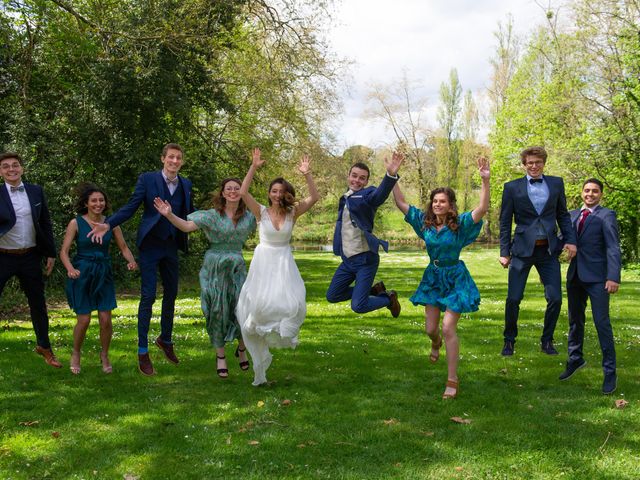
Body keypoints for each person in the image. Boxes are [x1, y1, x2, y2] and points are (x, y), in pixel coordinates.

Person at [87, 143, 194, 375]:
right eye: (171, 157)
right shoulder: (148, 179)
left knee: (172, 294)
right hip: (150, 245)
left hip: (171, 245)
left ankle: (165, 339)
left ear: (182, 162)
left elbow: (189, 214)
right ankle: (143, 350)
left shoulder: (186, 184)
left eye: (178, 158)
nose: (174, 161)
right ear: (163, 159)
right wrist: (108, 224)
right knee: (148, 296)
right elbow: (131, 207)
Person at [392, 158, 490, 399]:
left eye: (442, 201)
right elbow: (401, 202)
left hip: (455, 277)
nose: (437, 204)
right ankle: (434, 343)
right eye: (435, 201)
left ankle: (452, 380)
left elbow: (482, 209)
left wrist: (485, 181)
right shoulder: (424, 224)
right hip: (433, 278)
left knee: (448, 328)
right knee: (431, 329)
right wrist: (393, 176)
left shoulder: (460, 224)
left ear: (450, 205)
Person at [153, 178, 256, 378]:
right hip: (214, 267)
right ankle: (220, 356)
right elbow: (186, 226)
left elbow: (273, 220)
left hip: (237, 267)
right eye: (229, 189)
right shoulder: (211, 216)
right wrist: (169, 215)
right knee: (216, 310)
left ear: (241, 193)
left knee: (242, 309)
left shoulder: (250, 217)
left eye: (237, 189)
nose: (233, 192)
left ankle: (242, 349)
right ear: (223, 193)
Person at [236, 148, 319, 386]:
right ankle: (259, 363)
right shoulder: (260, 211)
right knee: (259, 306)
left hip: (284, 263)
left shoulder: (293, 212)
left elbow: (314, 197)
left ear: (286, 194)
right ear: (269, 193)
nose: (277, 194)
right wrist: (253, 166)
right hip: (264, 263)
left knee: (293, 302)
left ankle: (281, 330)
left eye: (281, 191)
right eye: (274, 191)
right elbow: (242, 192)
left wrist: (307, 174)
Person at [499, 146, 577, 356]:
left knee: (556, 299)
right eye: (530, 163)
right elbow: (505, 222)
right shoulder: (511, 188)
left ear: (544, 163)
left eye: (538, 162)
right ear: (524, 165)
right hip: (522, 251)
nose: (534, 166)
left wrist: (570, 240)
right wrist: (504, 252)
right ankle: (509, 340)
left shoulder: (556, 183)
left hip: (548, 251)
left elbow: (562, 215)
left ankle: (547, 341)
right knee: (514, 298)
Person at [60, 184, 138, 375]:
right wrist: (70, 269)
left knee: (105, 319)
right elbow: (64, 252)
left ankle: (104, 354)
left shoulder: (112, 223)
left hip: (103, 272)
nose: (98, 203)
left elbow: (124, 247)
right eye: (93, 200)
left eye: (101, 200)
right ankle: (76, 352)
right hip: (82, 273)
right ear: (86, 203)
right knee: (84, 320)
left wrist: (131, 261)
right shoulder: (76, 223)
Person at [559, 178, 621, 395]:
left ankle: (610, 372)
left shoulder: (606, 216)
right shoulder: (572, 215)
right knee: (575, 320)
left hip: (598, 278)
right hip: (575, 276)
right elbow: (560, 240)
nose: (590, 194)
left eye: (595, 191)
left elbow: (613, 247)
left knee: (602, 323)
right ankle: (575, 360)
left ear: (600, 194)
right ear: (582, 192)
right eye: (587, 190)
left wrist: (613, 277)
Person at [0, 152, 61, 368]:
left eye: (15, 165)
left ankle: (45, 347)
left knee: (38, 304)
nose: (11, 169)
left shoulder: (36, 191)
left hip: (30, 256)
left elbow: (45, 222)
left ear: (22, 168)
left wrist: (51, 252)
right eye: (6, 167)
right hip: (3, 256)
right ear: (1, 172)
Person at [325, 153, 404, 317]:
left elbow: (378, 196)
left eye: (362, 178)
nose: (357, 180)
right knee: (333, 295)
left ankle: (388, 298)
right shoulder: (345, 198)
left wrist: (390, 176)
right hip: (348, 260)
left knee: (359, 305)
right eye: (354, 176)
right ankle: (373, 290)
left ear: (366, 181)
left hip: (365, 260)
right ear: (348, 176)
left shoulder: (367, 195)